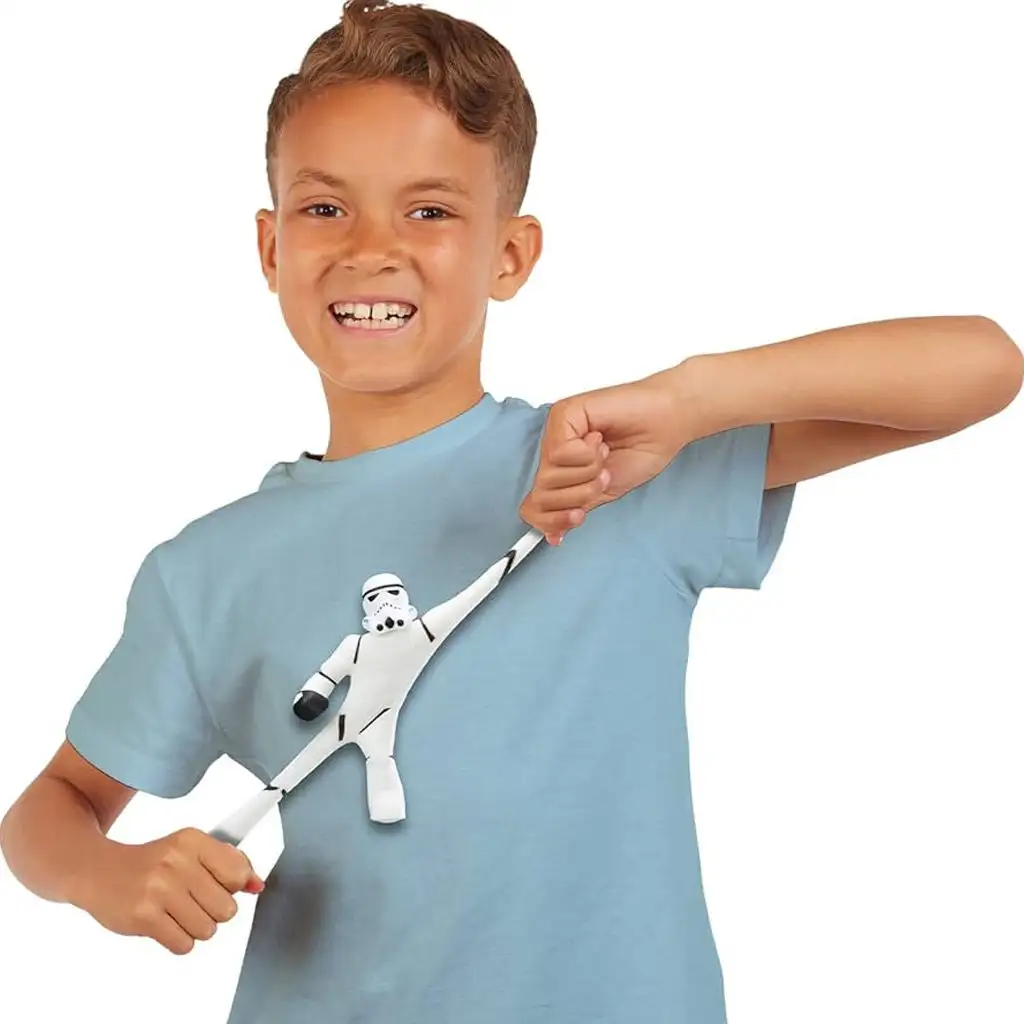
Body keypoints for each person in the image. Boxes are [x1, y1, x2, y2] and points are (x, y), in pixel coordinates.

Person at [1, 3, 1020, 1023]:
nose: (370, 250)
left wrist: (692, 397)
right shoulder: (205, 571)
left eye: (428, 211)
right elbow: (50, 811)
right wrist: (105, 875)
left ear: (510, 255)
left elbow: (982, 366)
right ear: (270, 247)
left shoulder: (615, 467)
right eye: (324, 208)